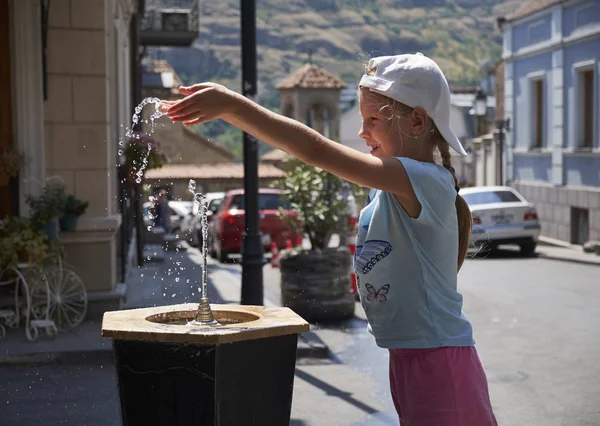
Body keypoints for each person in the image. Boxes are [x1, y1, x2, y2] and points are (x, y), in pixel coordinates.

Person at [159, 53, 498, 425]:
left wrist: (232, 105)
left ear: (416, 120)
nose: (361, 131)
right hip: (411, 356)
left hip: (440, 361)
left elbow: (315, 150)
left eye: (373, 119)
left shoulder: (425, 181)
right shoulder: (386, 191)